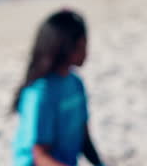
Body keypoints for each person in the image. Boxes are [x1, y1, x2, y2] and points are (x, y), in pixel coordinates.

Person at [12, 10, 106, 166]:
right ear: (65, 47)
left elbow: (84, 138)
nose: (86, 50)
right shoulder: (40, 93)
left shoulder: (75, 83)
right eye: (82, 44)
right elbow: (39, 156)